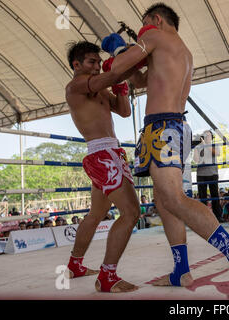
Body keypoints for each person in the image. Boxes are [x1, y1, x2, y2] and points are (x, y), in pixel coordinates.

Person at [115, 3, 229, 298]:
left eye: (145, 24)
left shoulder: (154, 37)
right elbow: (140, 79)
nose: (143, 30)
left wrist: (118, 51)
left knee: (173, 199)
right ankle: (181, 270)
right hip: (171, 126)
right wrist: (128, 62)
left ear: (156, 20)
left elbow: (118, 67)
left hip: (163, 127)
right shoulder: (181, 52)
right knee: (164, 201)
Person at [64, 40, 141, 293]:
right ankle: (108, 276)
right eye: (91, 62)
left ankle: (75, 265)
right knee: (130, 212)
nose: (97, 67)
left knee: (95, 215)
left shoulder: (101, 91)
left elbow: (125, 111)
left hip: (110, 153)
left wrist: (119, 87)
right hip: (103, 154)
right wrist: (122, 62)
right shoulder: (76, 85)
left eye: (98, 62)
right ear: (76, 65)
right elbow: (109, 76)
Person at [193, 130, 222, 221]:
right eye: (205, 135)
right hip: (201, 174)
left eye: (208, 135)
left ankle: (218, 217)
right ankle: (203, 218)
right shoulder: (198, 147)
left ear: (212, 136)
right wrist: (196, 148)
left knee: (214, 195)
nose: (206, 136)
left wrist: (206, 145)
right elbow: (196, 160)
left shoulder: (215, 145)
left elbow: (217, 153)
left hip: (212, 173)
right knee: (202, 196)